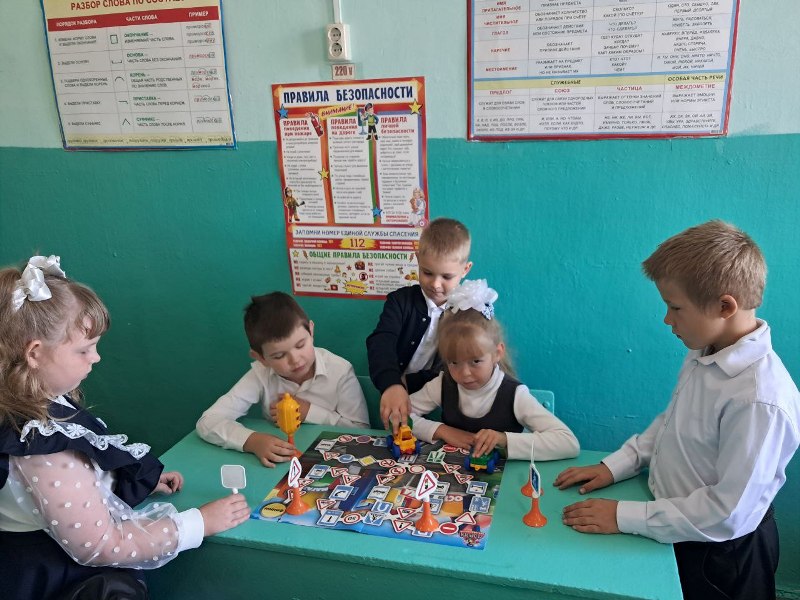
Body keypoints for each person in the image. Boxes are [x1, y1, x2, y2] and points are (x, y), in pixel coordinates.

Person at [555, 221, 800, 600]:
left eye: (675, 307)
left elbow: (727, 513)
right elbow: (672, 423)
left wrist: (622, 516)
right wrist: (617, 465)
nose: (667, 319)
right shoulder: (705, 351)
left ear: (724, 306)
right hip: (671, 525)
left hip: (721, 556)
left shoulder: (760, 400)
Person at [0, 255, 250, 600]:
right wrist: (198, 523)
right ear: (35, 353)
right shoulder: (42, 448)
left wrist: (121, 481)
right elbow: (101, 545)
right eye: (84, 350)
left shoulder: (33, 403)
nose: (96, 358)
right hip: (58, 579)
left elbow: (63, 491)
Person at [409, 279, 580, 460]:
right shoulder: (443, 384)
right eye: (453, 362)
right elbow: (398, 417)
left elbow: (568, 443)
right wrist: (441, 430)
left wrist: (504, 440)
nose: (464, 373)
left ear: (497, 353)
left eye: (475, 361)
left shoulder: (515, 395)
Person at [197, 292, 368, 467]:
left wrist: (309, 412)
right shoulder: (260, 374)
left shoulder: (340, 370)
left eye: (300, 345)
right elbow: (208, 421)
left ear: (311, 331)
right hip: (280, 464)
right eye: (279, 356)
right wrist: (252, 441)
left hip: (333, 461)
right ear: (261, 358)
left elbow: (362, 432)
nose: (295, 359)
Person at [367, 218, 472, 433]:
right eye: (427, 272)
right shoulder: (399, 301)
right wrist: (392, 384)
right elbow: (381, 342)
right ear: (417, 259)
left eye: (446, 276)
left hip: (444, 403)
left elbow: (459, 367)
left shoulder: (467, 313)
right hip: (394, 395)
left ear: (465, 269)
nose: (435, 284)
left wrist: (409, 382)